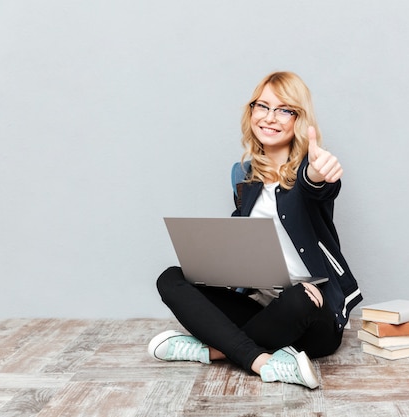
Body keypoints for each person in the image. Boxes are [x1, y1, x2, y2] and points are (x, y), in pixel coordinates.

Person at [148, 71, 362, 389]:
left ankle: (213, 351)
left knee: (298, 298)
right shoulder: (243, 175)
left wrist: (319, 174)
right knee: (170, 278)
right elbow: (245, 245)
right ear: (251, 113)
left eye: (284, 109)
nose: (270, 118)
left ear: (298, 119)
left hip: (312, 314)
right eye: (262, 106)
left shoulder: (310, 170)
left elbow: (317, 187)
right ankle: (264, 361)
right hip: (264, 309)